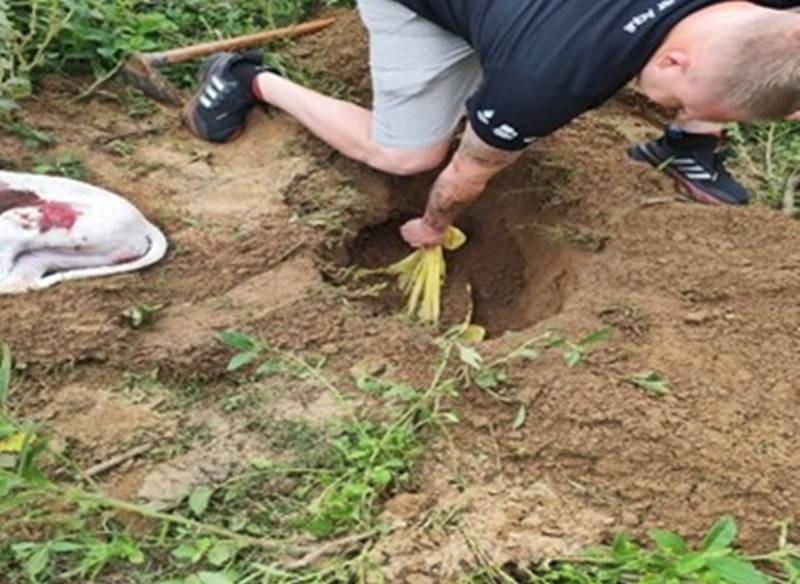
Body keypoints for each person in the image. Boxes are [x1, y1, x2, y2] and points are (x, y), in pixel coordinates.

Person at [183, 0, 800, 248]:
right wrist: (431, 226)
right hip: (420, 7)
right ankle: (249, 80)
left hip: (539, 24)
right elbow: (467, 172)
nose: (676, 109)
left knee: (727, 84)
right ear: (672, 61)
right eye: (682, 107)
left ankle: (689, 143)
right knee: (408, 156)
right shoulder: (545, 81)